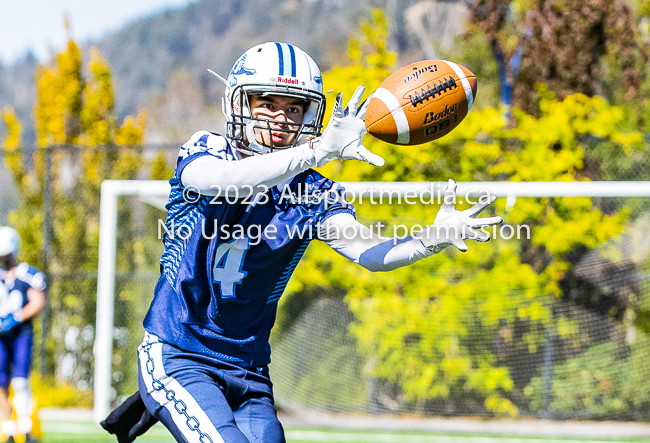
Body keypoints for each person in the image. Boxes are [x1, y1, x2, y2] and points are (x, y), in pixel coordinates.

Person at [103, 42, 502, 443]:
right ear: (237, 102)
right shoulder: (207, 150)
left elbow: (371, 253)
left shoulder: (316, 193)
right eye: (267, 103)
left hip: (249, 368)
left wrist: (430, 239)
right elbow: (222, 182)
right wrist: (316, 151)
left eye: (294, 107)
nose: (280, 117)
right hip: (178, 352)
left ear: (310, 115)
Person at [0, 226, 46, 443]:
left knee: (20, 380)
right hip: (0, 335)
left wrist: (16, 317)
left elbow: (37, 301)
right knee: (0, 381)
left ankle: (26, 428)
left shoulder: (27, 273)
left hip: (20, 332)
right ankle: (8, 429)